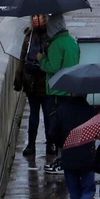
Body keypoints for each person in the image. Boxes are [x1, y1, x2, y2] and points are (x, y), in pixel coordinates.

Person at [19, 12, 79, 172]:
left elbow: (52, 67)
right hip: (62, 88)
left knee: (53, 121)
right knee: (51, 119)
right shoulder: (71, 42)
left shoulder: (56, 44)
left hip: (54, 89)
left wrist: (42, 59)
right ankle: (48, 148)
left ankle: (55, 150)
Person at [56, 92, 100, 199]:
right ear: (86, 94)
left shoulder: (62, 110)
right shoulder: (92, 111)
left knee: (74, 191)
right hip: (87, 157)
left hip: (68, 156)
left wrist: (63, 145)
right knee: (88, 189)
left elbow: (52, 133)